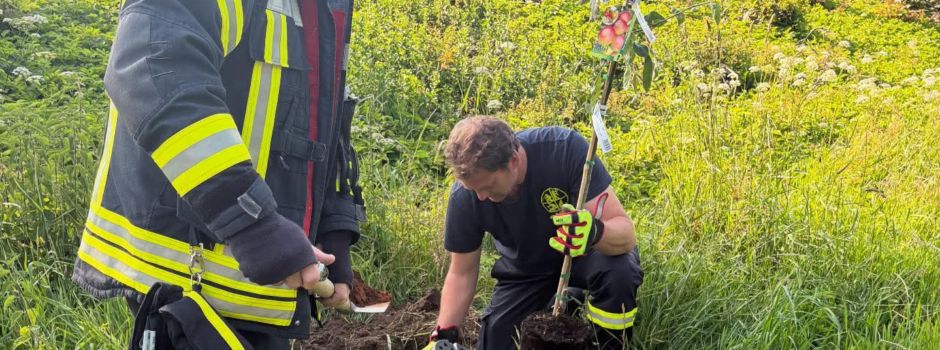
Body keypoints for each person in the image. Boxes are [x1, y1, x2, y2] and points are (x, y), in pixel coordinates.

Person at [71, 0, 366, 348]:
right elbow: (153, 69)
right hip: (186, 287)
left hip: (264, 282)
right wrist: (251, 223)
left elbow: (321, 117)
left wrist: (334, 228)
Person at [427, 116, 643, 349]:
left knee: (619, 271)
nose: (480, 197)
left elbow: (625, 234)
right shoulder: (466, 195)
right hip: (526, 271)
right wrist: (444, 335)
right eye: (473, 189)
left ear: (513, 160)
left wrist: (594, 232)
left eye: (488, 187)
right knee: (496, 343)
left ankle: (608, 344)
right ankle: (564, 300)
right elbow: (462, 273)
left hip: (583, 257)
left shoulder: (565, 150)